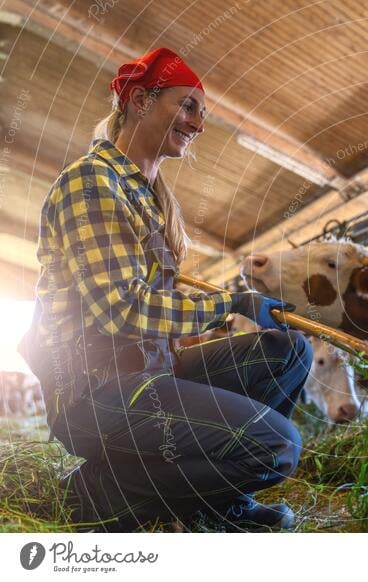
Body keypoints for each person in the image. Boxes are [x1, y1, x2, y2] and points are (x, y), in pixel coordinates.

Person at [20, 47, 312, 532]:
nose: (198, 123)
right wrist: (232, 304)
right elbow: (121, 310)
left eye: (203, 112)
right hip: (95, 391)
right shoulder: (93, 185)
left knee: (290, 351)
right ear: (138, 101)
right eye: (188, 105)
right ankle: (104, 490)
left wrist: (214, 317)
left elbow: (152, 306)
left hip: (149, 371)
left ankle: (216, 499)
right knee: (277, 445)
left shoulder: (150, 197)